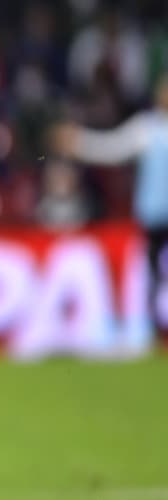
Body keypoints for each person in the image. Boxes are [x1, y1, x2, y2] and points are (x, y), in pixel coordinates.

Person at [53, 76, 168, 342]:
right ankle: (151, 329)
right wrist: (79, 142)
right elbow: (111, 148)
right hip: (153, 216)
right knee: (151, 275)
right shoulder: (146, 128)